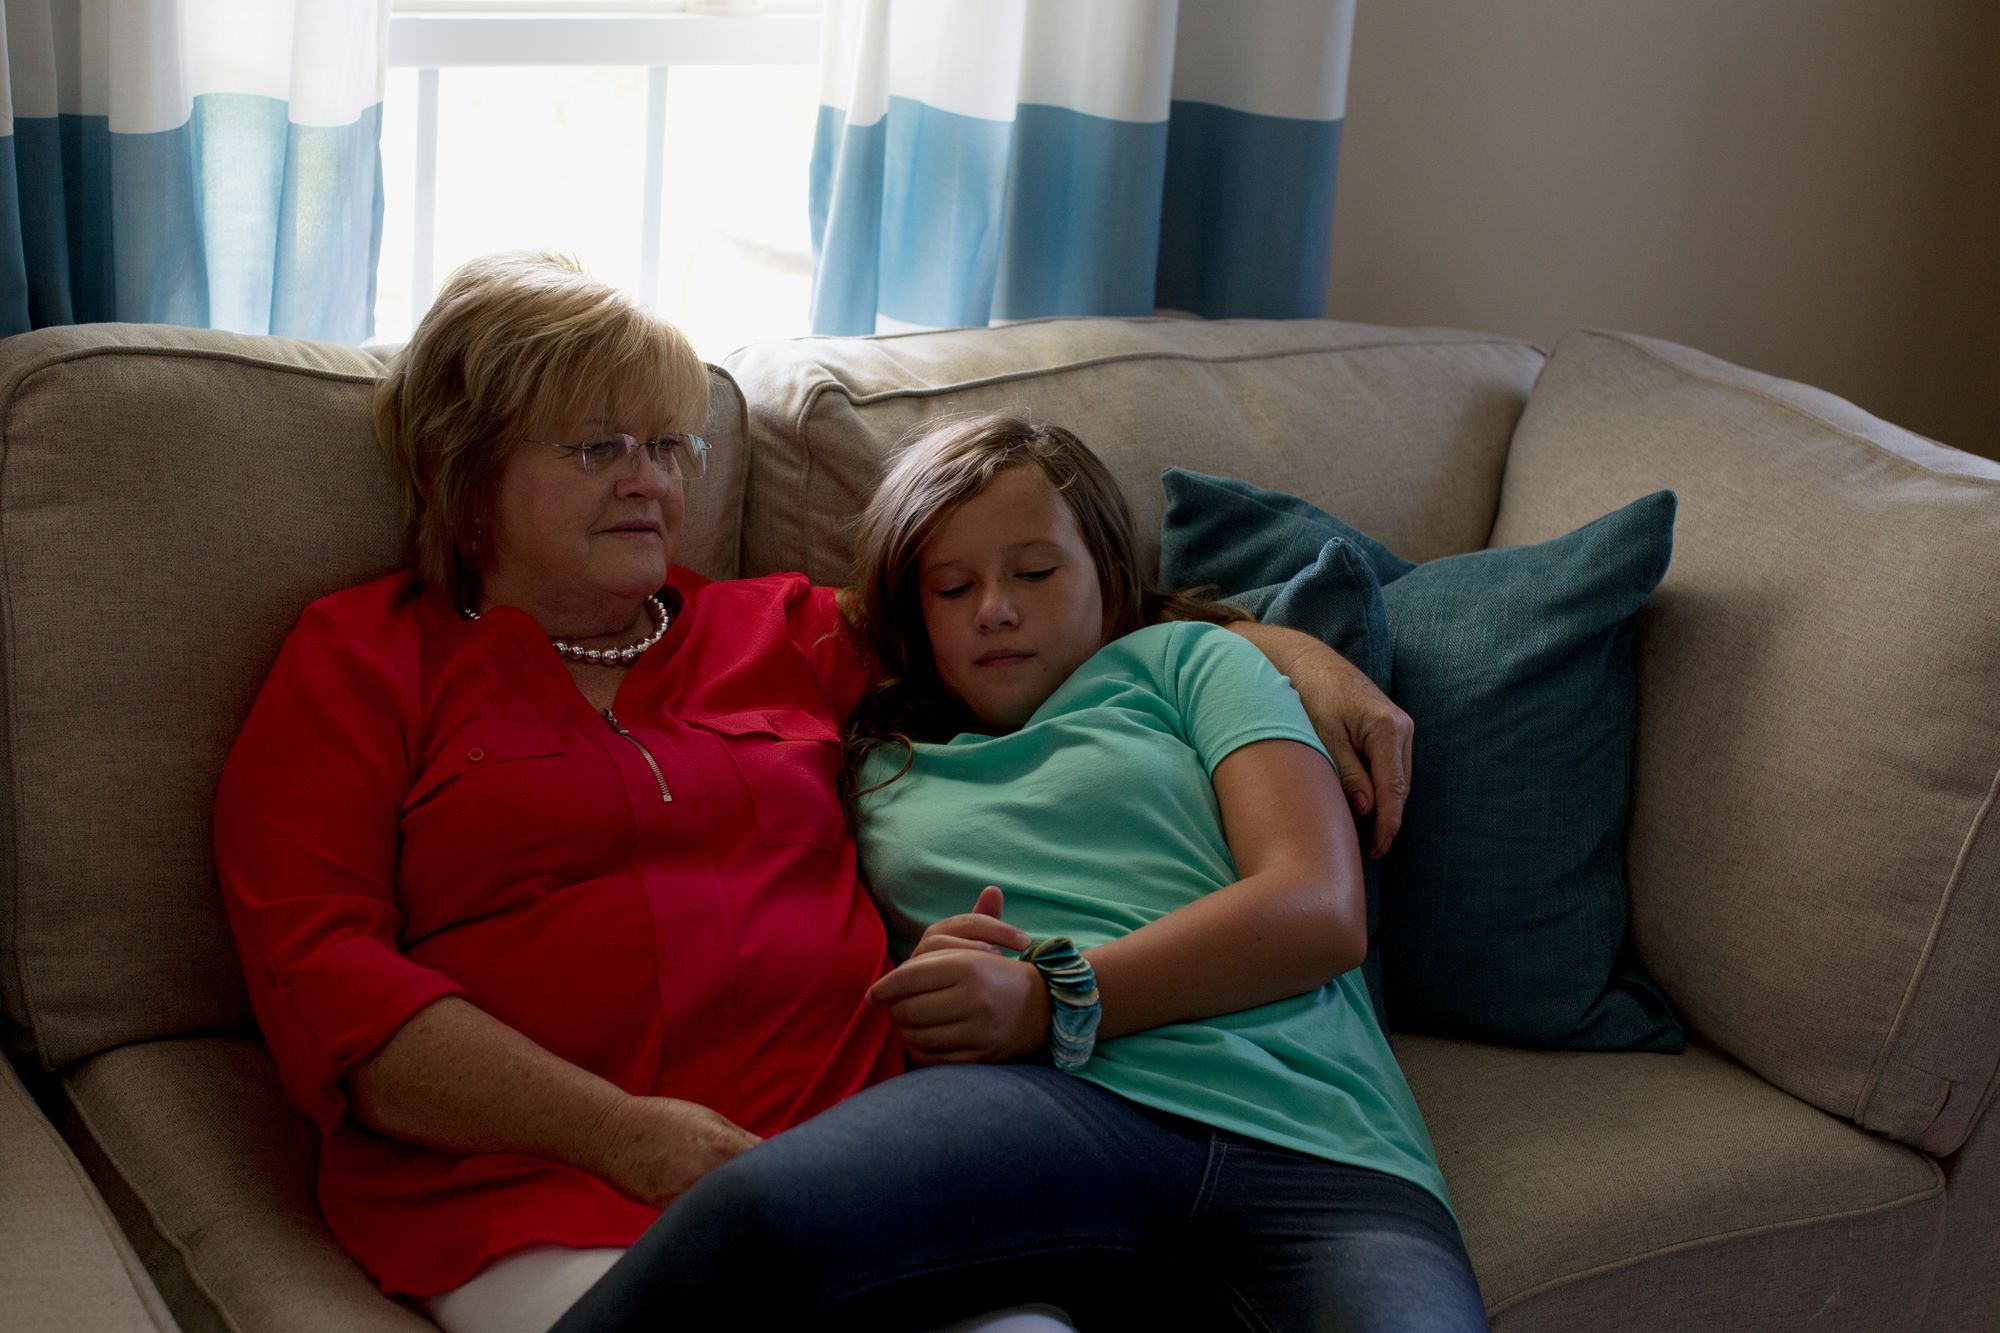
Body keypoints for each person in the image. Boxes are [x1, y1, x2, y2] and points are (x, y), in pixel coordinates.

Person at [213, 255, 1419, 1333]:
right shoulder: (357, 665)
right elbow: (330, 981)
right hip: (533, 1192)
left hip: (851, 1157)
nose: (647, 480)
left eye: (667, 446)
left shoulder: (780, 633)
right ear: (462, 474)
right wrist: (622, 1133)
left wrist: (1306, 662)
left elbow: (1046, 618)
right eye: (598, 447)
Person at [552, 415, 1487, 1332]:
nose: (994, 608)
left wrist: (1052, 997)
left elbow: (1318, 909)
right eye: (952, 588)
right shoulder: (875, 758)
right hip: (1053, 1113)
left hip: (1320, 1135)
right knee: (750, 1215)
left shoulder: (1187, 663)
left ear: (1109, 576)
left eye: (1034, 573)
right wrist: (942, 980)